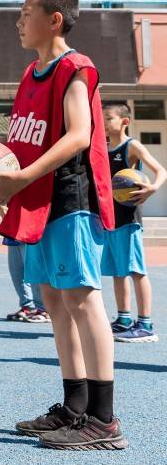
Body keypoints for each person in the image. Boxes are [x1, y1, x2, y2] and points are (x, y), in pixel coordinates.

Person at [0, 0, 125, 450]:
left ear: (54, 18)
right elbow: (21, 145)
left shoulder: (75, 68)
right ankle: (74, 406)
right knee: (54, 305)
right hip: (36, 201)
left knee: (82, 301)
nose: (18, 22)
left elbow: (79, 135)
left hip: (69, 199)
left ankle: (104, 419)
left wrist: (20, 180)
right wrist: (3, 185)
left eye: (25, 13)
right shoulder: (30, 73)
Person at [101, 102, 164, 343]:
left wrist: (153, 188)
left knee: (137, 271)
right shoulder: (103, 148)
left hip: (128, 218)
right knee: (118, 272)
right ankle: (124, 319)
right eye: (102, 118)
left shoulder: (132, 146)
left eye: (109, 118)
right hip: (110, 218)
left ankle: (146, 324)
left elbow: (161, 171)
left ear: (124, 122)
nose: (105, 122)